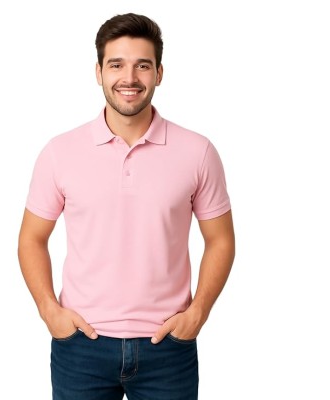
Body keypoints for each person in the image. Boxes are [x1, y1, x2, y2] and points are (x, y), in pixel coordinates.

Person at [18, 12, 235, 400]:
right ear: (98, 72)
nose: (129, 78)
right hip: (81, 345)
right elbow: (32, 238)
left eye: (142, 65)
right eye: (116, 65)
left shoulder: (198, 152)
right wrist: (49, 309)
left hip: (168, 346)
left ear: (159, 73)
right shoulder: (59, 152)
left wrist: (198, 312)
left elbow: (220, 239)